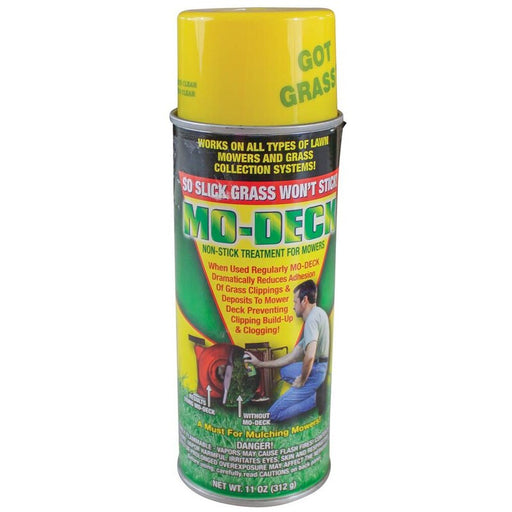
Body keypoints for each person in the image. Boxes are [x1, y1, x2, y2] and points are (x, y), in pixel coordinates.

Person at [245, 280, 330, 422]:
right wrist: (260, 363)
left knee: (271, 415)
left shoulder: (312, 320)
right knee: (285, 371)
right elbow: (293, 357)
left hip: (316, 370)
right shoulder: (319, 314)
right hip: (318, 367)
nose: (293, 306)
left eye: (295, 302)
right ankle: (313, 389)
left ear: (304, 300)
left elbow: (309, 356)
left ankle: (314, 399)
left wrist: (302, 380)